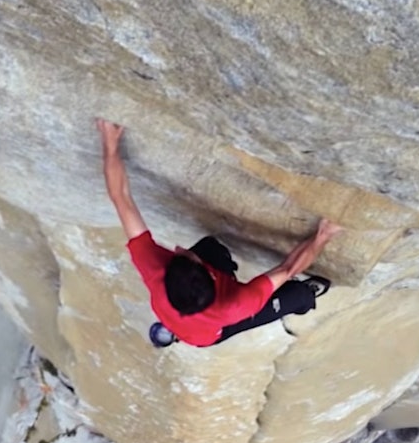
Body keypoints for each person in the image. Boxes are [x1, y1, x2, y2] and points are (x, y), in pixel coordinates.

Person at [96, 117, 342, 348]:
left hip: (186, 311)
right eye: (186, 255)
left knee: (210, 247)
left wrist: (110, 145)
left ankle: (183, 316)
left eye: (179, 255)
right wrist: (323, 235)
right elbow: (288, 269)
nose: (180, 249)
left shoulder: (153, 268)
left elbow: (121, 199)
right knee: (294, 294)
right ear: (209, 274)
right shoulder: (236, 306)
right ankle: (304, 298)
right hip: (209, 334)